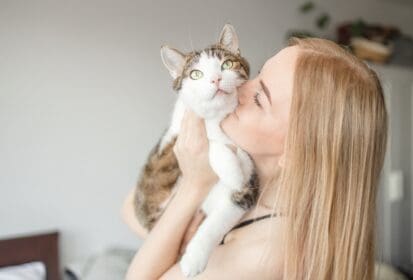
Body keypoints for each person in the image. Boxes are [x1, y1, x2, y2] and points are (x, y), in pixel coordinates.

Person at [122, 36, 388, 280]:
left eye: (260, 98)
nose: (240, 86)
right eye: (258, 74)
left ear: (295, 152)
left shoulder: (268, 251)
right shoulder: (245, 174)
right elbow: (130, 207)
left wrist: (194, 186)